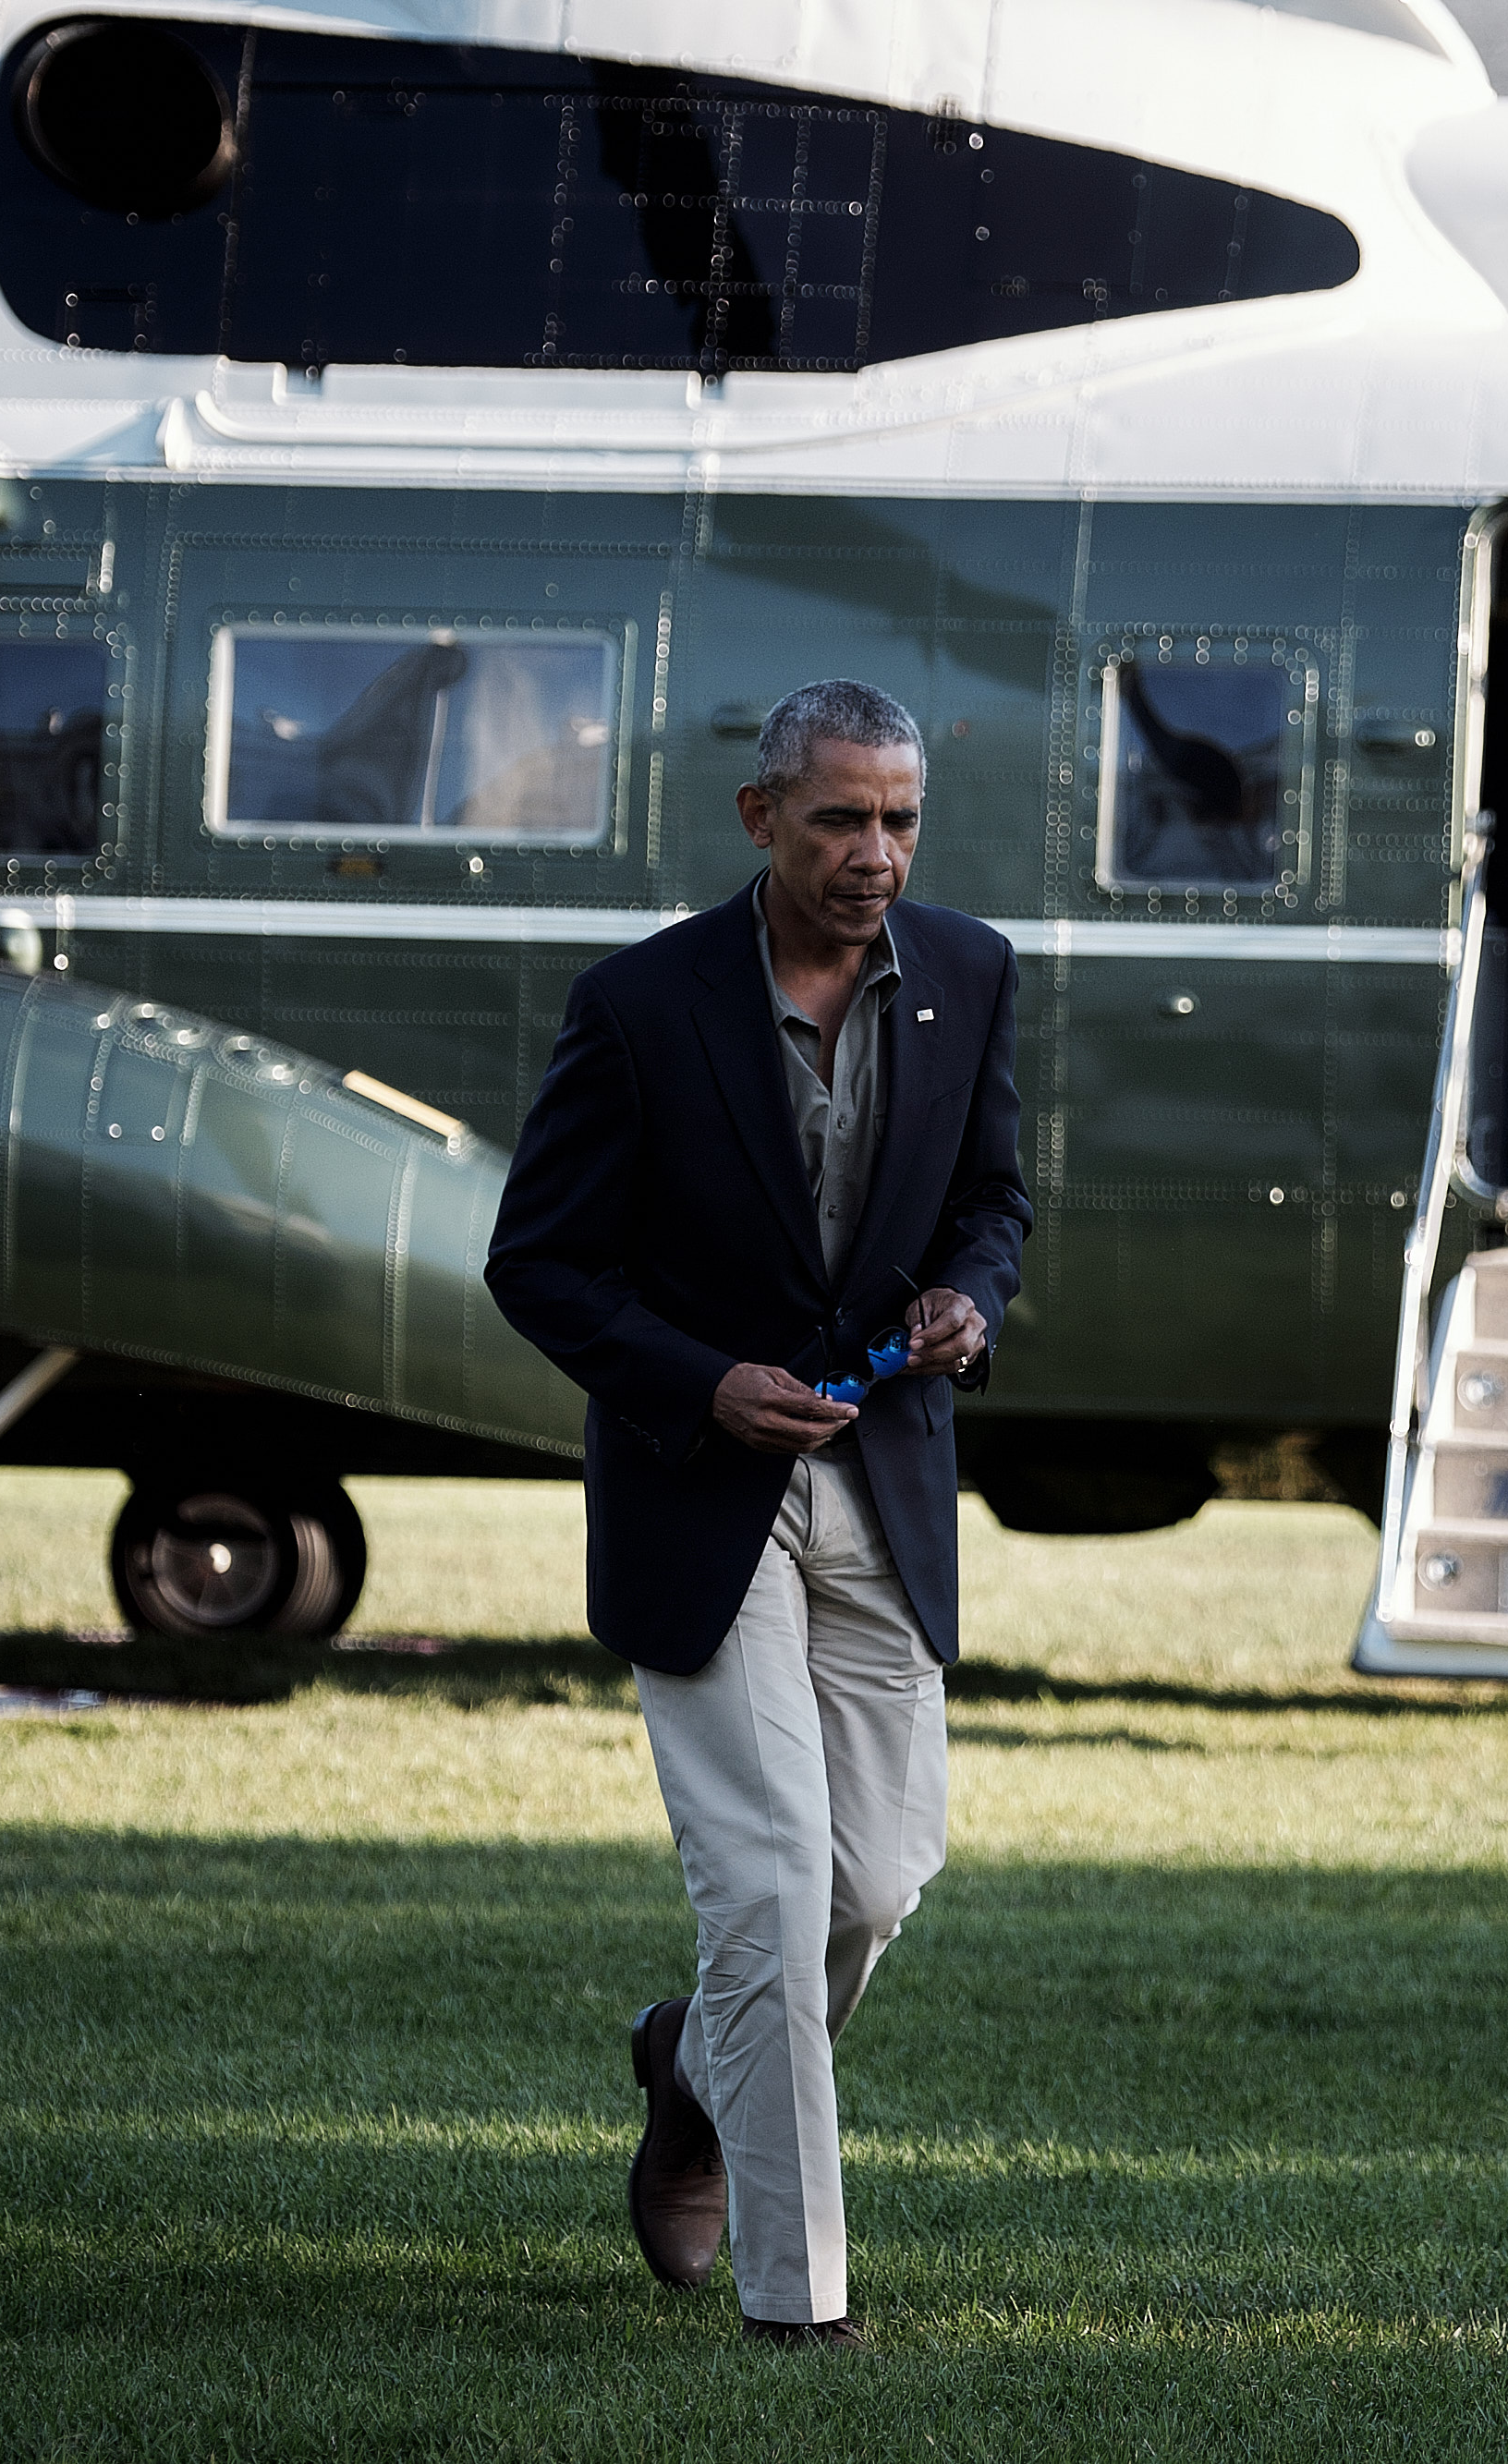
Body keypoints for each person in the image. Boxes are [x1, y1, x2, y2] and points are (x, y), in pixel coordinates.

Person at [485, 677, 1031, 2350]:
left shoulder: (969, 972)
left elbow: (995, 1201)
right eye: (841, 820)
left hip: (885, 1482)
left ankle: (690, 2068)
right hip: (696, 1495)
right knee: (777, 1884)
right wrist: (697, 1381)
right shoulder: (640, 1007)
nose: (877, 855)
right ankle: (801, 2307)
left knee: (877, 1884)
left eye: (901, 821)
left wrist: (968, 1300)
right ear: (762, 820)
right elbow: (541, 1262)